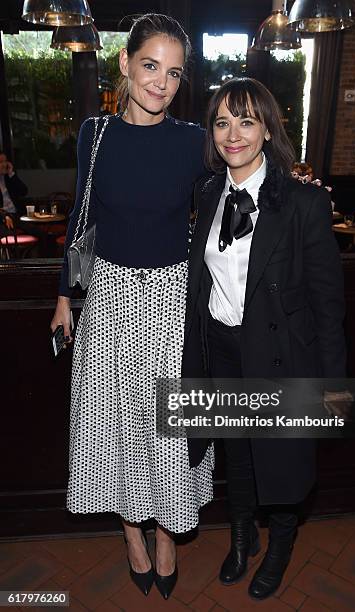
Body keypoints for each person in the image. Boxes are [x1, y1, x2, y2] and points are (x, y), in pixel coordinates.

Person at [50, 13, 213, 600]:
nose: (160, 83)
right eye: (150, 66)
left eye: (173, 73)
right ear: (124, 63)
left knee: (166, 428)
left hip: (172, 302)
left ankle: (168, 533)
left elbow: (231, 198)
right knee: (114, 428)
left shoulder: (197, 141)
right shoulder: (95, 135)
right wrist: (65, 295)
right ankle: (132, 535)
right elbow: (82, 221)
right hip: (109, 300)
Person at [183, 77, 349, 600]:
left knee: (279, 455)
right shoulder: (207, 193)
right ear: (212, 133)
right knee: (236, 453)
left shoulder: (301, 202)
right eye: (223, 122)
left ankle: (278, 546)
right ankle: (240, 539)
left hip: (280, 354)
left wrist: (332, 388)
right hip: (221, 346)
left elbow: (328, 306)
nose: (234, 134)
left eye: (247, 121)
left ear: (267, 129)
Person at [0, 152, 28, 238]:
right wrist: (4, 216)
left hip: (16, 215)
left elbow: (24, 191)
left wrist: (11, 174)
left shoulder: (9, 178)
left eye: (5, 161)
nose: (4, 165)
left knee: (40, 233)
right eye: (1, 162)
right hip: (3, 218)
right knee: (11, 237)